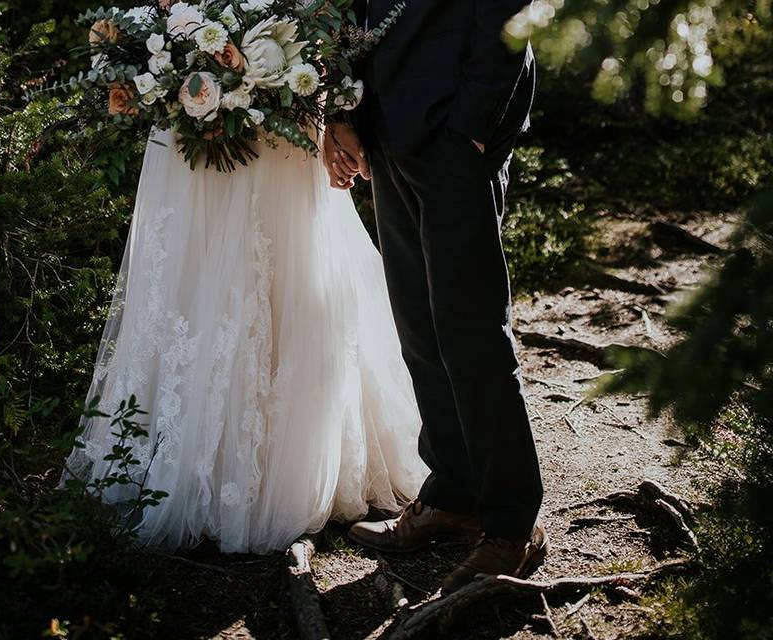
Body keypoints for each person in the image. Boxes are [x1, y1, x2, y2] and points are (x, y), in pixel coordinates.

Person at [62, 124, 429, 554]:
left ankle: (285, 463)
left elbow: (332, 56)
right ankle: (188, 458)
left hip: (285, 123)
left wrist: (329, 115)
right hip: (189, 125)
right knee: (197, 259)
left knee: (285, 255)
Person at [323, 0, 548, 592]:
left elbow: (508, 13)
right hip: (387, 129)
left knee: (470, 332)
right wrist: (342, 112)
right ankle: (454, 495)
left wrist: (471, 128)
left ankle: (512, 523)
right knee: (419, 330)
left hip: (454, 131)